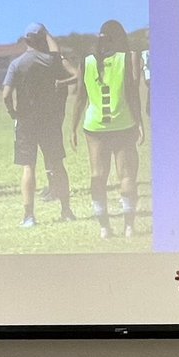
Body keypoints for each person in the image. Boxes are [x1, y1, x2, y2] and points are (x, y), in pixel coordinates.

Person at [70, 19, 143, 238]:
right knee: (127, 176)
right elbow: (132, 95)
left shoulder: (87, 61)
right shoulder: (127, 59)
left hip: (94, 127)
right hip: (124, 124)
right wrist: (140, 123)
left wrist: (72, 127)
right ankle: (129, 227)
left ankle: (104, 228)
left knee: (97, 176)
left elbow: (79, 98)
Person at [2, 23, 75, 227]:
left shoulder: (16, 64)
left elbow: (6, 94)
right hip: (49, 120)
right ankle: (66, 210)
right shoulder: (50, 61)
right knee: (57, 164)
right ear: (41, 38)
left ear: (26, 40)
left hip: (25, 120)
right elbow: (56, 51)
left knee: (29, 167)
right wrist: (47, 31)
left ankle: (29, 216)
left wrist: (12, 111)